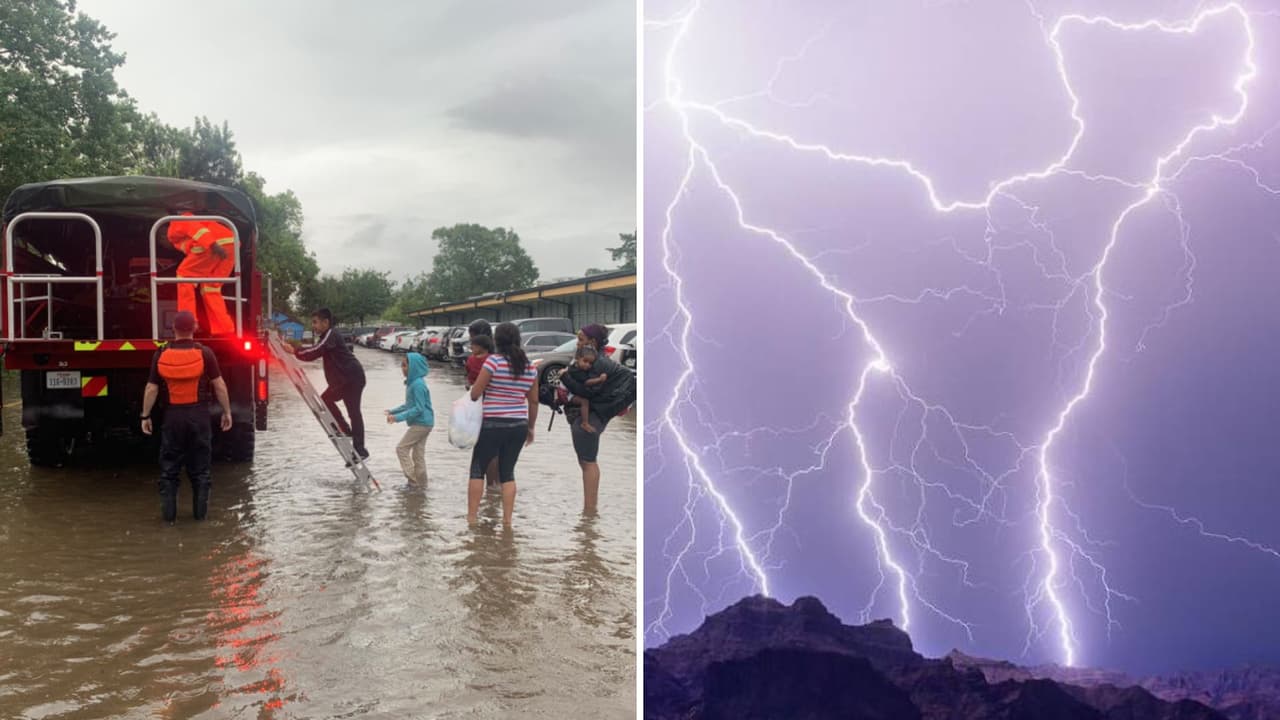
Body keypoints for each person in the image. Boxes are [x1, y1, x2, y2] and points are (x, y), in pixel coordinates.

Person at [140, 310, 233, 523]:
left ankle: (169, 521)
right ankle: (200, 520)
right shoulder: (205, 353)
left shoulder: (161, 353)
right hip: (199, 417)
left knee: (169, 471)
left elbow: (151, 388)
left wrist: (145, 416)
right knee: (201, 471)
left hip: (172, 418)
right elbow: (219, 385)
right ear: (195, 328)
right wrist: (227, 411)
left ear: (173, 328)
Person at [466, 322, 538, 527]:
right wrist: (531, 427)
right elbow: (533, 401)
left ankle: (471, 519)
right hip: (519, 425)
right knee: (508, 473)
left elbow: (475, 393)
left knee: (477, 470)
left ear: (496, 340)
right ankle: (507, 522)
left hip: (492, 423)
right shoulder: (530, 367)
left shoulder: (493, 362)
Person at [559, 323, 635, 514]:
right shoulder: (593, 359)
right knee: (586, 461)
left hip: (592, 417)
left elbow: (587, 391)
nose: (577, 342)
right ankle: (590, 511)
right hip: (593, 414)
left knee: (588, 462)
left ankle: (589, 512)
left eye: (580, 339)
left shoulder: (596, 363)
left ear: (592, 342)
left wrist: (565, 377)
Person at [283, 308, 369, 462]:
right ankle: (346, 430)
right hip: (343, 380)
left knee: (353, 412)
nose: (313, 326)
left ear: (326, 322)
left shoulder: (331, 334)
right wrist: (297, 351)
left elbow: (316, 351)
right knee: (327, 401)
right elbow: (316, 350)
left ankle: (360, 450)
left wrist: (295, 351)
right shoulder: (327, 335)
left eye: (315, 322)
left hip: (352, 378)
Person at [166, 213, 235, 335]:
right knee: (211, 287)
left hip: (213, 245)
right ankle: (224, 328)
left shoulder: (175, 224)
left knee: (184, 275)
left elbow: (194, 227)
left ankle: (187, 323)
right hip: (231, 245)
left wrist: (212, 244)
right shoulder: (179, 240)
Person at [385, 352, 434, 486]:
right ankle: (422, 484)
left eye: (405, 365)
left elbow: (419, 408)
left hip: (422, 423)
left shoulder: (418, 385)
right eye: (402, 365)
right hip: (425, 422)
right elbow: (409, 405)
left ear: (414, 367)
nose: (402, 368)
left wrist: (397, 418)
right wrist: (392, 411)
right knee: (418, 455)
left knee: (401, 448)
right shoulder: (413, 383)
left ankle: (414, 481)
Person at [465, 319, 500, 489]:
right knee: (497, 451)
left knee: (485, 452)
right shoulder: (500, 357)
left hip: (483, 408)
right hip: (505, 412)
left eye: (472, 338)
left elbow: (474, 387)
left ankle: (491, 488)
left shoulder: (478, 360)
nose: (470, 342)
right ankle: (496, 487)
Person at [565, 345, 610, 434]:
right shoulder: (575, 371)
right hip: (568, 395)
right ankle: (584, 423)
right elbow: (587, 382)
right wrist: (599, 379)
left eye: (590, 363)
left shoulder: (576, 366)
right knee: (584, 401)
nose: (587, 365)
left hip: (572, 392)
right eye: (585, 361)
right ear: (578, 358)